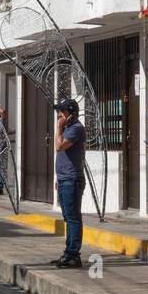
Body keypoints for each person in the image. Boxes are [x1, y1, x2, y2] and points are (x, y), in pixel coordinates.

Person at [51, 98, 87, 269]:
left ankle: (73, 254)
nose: (59, 115)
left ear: (71, 113)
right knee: (68, 217)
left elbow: (59, 147)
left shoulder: (76, 129)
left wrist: (58, 129)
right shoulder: (68, 129)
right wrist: (59, 178)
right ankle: (68, 252)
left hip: (72, 180)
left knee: (73, 218)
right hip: (65, 179)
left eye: (62, 111)